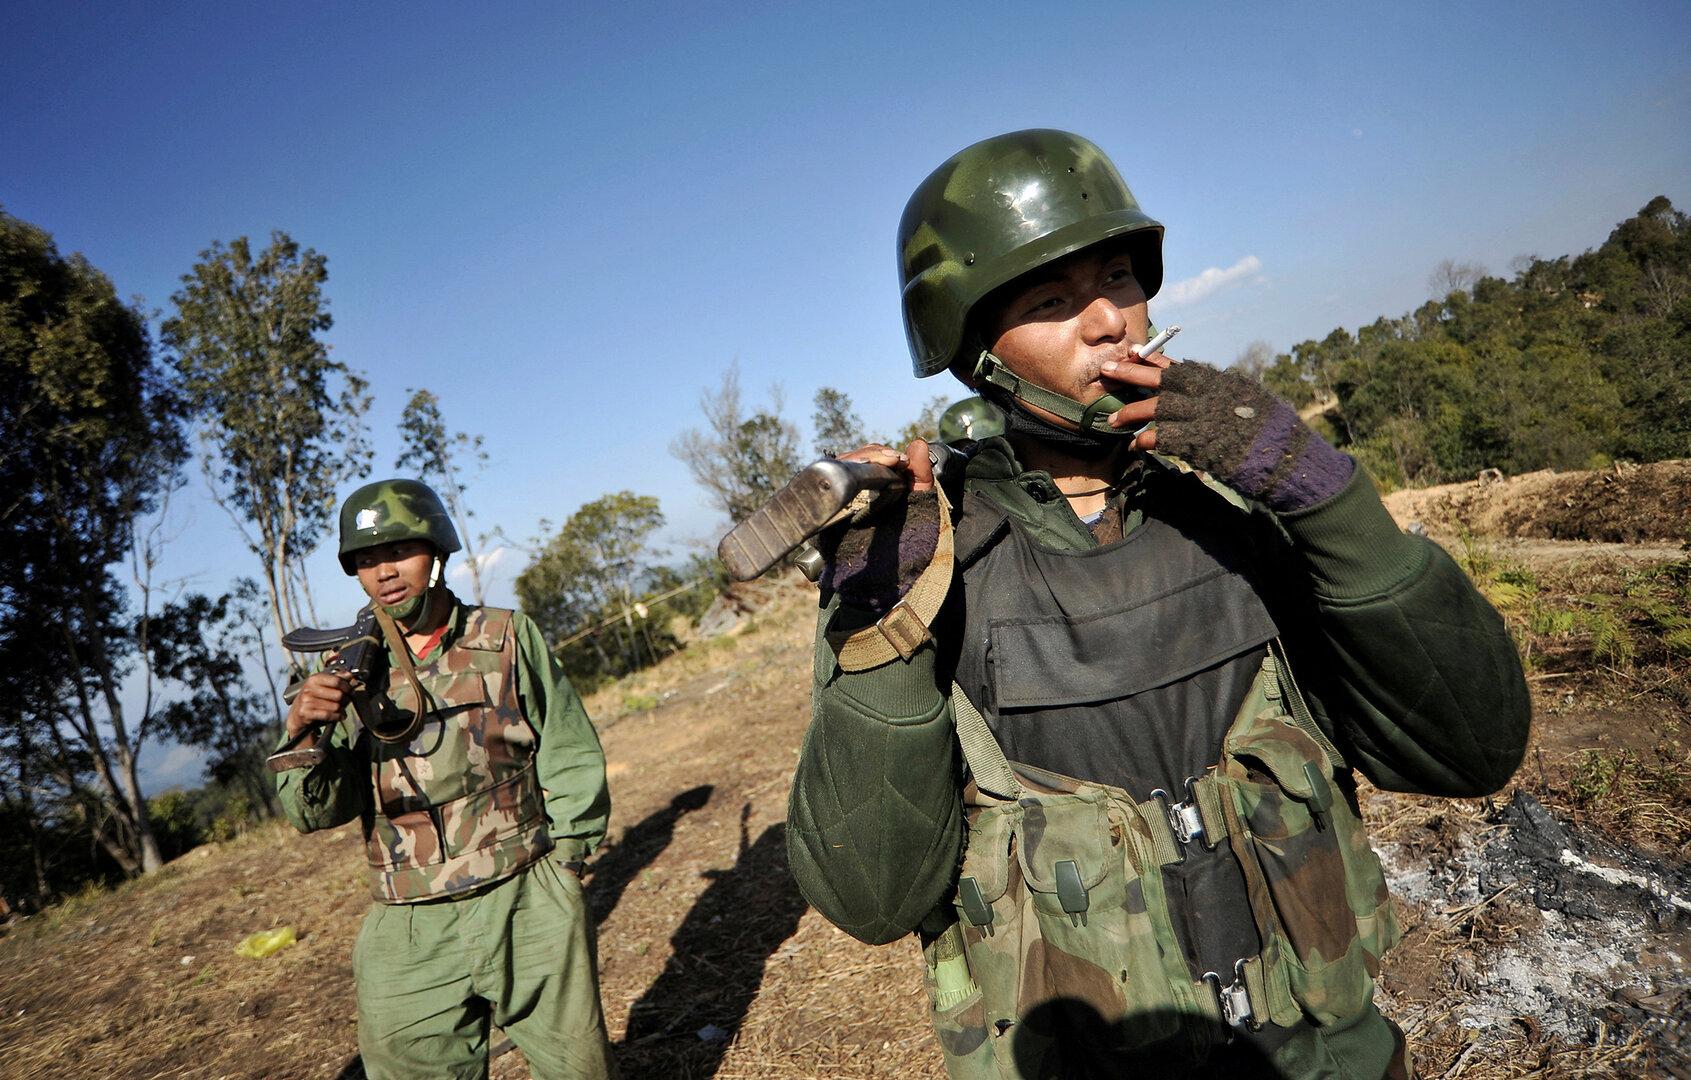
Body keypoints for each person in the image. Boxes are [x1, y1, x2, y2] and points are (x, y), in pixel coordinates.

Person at [784, 129, 1531, 1078]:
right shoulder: (925, 564)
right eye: (1052, 301)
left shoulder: (1235, 505)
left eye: (1120, 279)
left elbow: (1470, 751)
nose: (1109, 320)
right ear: (973, 350)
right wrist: (881, 631)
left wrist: (1328, 500)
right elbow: (869, 896)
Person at [277, 478, 617, 1080]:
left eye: (399, 552)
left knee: (576, 1069)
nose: (384, 572)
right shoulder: (347, 672)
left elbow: (567, 747)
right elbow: (312, 812)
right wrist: (304, 726)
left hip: (525, 895)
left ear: (436, 552)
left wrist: (567, 862)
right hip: (410, 921)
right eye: (366, 560)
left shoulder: (506, 637)